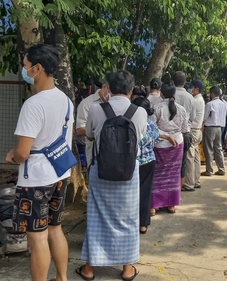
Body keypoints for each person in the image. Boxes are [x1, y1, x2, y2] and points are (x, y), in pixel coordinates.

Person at [5, 44, 72, 281]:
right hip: (60, 174)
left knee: (37, 237)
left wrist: (12, 155)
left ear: (38, 68)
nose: (23, 70)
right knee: (55, 229)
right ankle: (62, 277)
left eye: (25, 66)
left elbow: (23, 153)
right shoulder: (65, 100)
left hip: (36, 180)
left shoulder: (33, 105)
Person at [78, 70, 147, 281]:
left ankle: (89, 269)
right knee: (127, 219)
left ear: (108, 87)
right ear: (131, 90)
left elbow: (89, 135)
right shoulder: (140, 112)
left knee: (97, 217)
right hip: (129, 172)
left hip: (101, 170)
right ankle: (127, 269)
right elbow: (140, 138)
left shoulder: (97, 109)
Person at [151, 83, 188, 214]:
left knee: (157, 174)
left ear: (161, 92)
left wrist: (166, 136)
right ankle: (171, 204)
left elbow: (153, 128)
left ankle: (154, 205)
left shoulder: (156, 107)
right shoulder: (181, 109)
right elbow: (184, 129)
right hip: (177, 144)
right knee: (173, 174)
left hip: (161, 144)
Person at [132, 97, 159, 234]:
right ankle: (143, 224)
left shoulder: (130, 122)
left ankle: (131, 221)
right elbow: (156, 138)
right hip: (149, 161)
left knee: (131, 193)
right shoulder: (151, 124)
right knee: (145, 192)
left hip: (133, 162)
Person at [76, 78, 110, 167]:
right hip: (94, 155)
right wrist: (100, 132)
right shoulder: (87, 104)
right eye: (110, 91)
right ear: (104, 87)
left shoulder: (114, 102)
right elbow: (79, 129)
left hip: (112, 154)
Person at [172, 71, 195, 187]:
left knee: (170, 162)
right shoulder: (190, 97)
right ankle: (179, 189)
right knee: (183, 162)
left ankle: (170, 187)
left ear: (172, 81)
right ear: (185, 82)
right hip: (185, 133)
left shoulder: (169, 95)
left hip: (170, 134)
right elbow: (192, 117)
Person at [182, 79, 205, 191]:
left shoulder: (195, 101)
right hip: (197, 130)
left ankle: (189, 183)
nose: (190, 90)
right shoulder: (200, 99)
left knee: (189, 157)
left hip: (193, 130)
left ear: (196, 89)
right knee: (195, 156)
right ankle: (196, 180)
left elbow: (191, 117)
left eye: (192, 88)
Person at [201, 86, 227, 176]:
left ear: (212, 93)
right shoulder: (224, 104)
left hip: (210, 127)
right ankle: (221, 168)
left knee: (208, 149)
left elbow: (204, 116)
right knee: (218, 148)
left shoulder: (210, 104)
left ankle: (209, 170)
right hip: (219, 127)